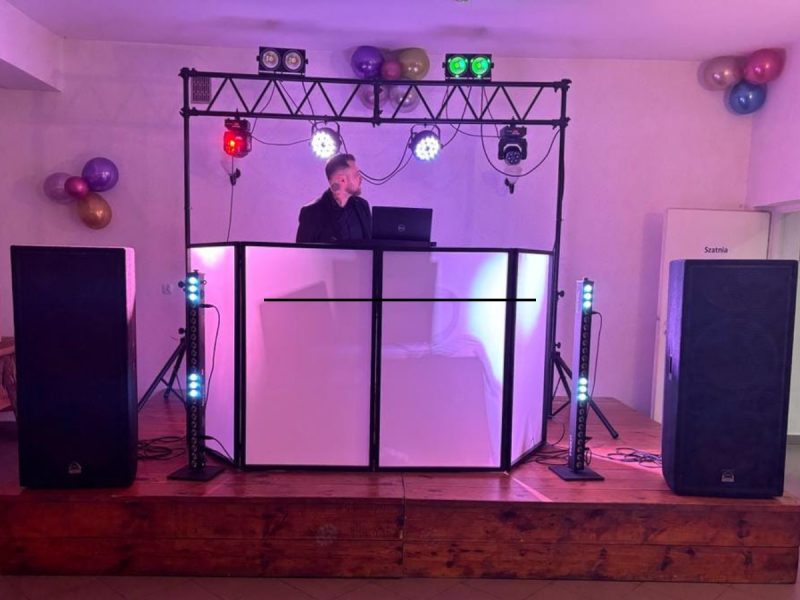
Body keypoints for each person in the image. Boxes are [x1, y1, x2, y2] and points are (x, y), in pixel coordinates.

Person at [296, 153, 372, 244]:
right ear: (342, 179)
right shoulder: (311, 213)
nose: (361, 178)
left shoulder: (362, 206)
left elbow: (369, 246)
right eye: (356, 174)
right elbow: (303, 251)